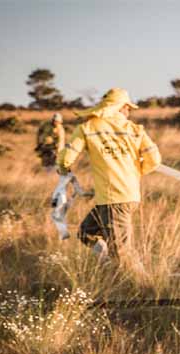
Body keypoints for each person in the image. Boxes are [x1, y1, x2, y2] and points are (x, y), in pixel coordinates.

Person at [55, 88, 161, 263]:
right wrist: (136, 173)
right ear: (120, 107)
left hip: (113, 199)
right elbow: (154, 159)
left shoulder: (87, 128)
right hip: (128, 196)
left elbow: (66, 157)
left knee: (122, 254)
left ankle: (143, 287)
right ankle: (108, 264)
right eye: (128, 108)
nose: (129, 112)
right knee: (86, 233)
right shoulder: (134, 129)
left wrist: (63, 168)